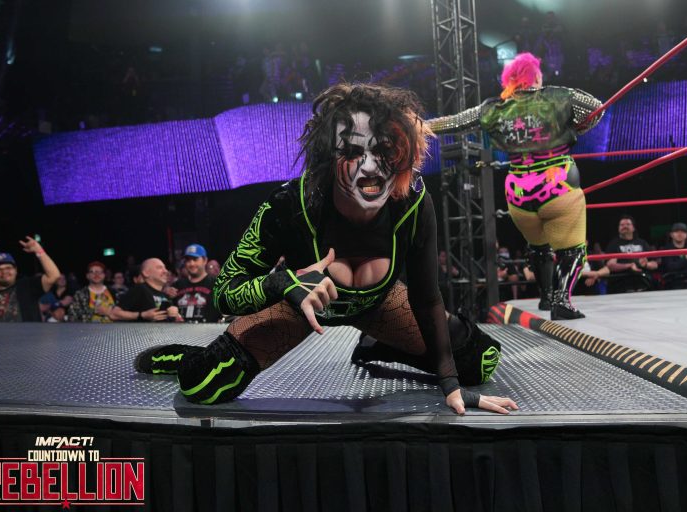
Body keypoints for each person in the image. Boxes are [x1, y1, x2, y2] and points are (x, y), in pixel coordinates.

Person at [135, 83, 518, 415]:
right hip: (300, 307)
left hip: (379, 304)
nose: (370, 167)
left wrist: (449, 383)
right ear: (329, 157)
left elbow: (426, 297)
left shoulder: (412, 200)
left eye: (383, 150)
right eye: (352, 151)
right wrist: (284, 284)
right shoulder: (289, 205)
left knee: (480, 361)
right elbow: (223, 292)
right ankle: (186, 355)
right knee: (204, 385)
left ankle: (375, 345)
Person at [428, 53, 604, 320]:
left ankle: (546, 297)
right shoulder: (559, 96)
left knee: (539, 245)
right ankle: (561, 301)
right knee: (572, 249)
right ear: (536, 77)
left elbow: (456, 122)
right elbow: (596, 108)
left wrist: (420, 125)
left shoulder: (496, 108)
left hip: (518, 193)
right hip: (557, 183)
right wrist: (574, 129)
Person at [0, 237, 61, 322]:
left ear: (16, 270)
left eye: (8, 268)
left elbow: (54, 276)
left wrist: (39, 251)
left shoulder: (27, 286)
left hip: (28, 331)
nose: (4, 272)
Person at [110, 258, 182, 322]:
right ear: (146, 273)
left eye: (165, 268)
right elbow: (114, 314)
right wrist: (142, 315)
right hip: (141, 333)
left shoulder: (164, 294)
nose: (166, 271)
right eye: (159, 268)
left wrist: (175, 315)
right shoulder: (140, 289)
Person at [605, 215, 658, 293]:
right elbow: (610, 266)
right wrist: (629, 266)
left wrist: (646, 264)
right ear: (618, 228)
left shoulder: (642, 243)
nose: (625, 226)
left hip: (643, 281)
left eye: (628, 224)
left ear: (633, 228)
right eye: (622, 225)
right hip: (621, 283)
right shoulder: (614, 244)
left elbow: (655, 264)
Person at [173, 244, 221, 323]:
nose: (191, 264)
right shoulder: (177, 285)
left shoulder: (216, 284)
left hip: (209, 330)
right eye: (188, 260)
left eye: (195, 259)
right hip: (181, 330)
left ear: (205, 260)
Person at [659, 222, 687, 289]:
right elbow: (671, 267)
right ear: (671, 234)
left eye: (683, 231)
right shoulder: (666, 249)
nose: (680, 234)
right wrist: (685, 257)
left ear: (686, 234)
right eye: (676, 231)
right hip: (674, 283)